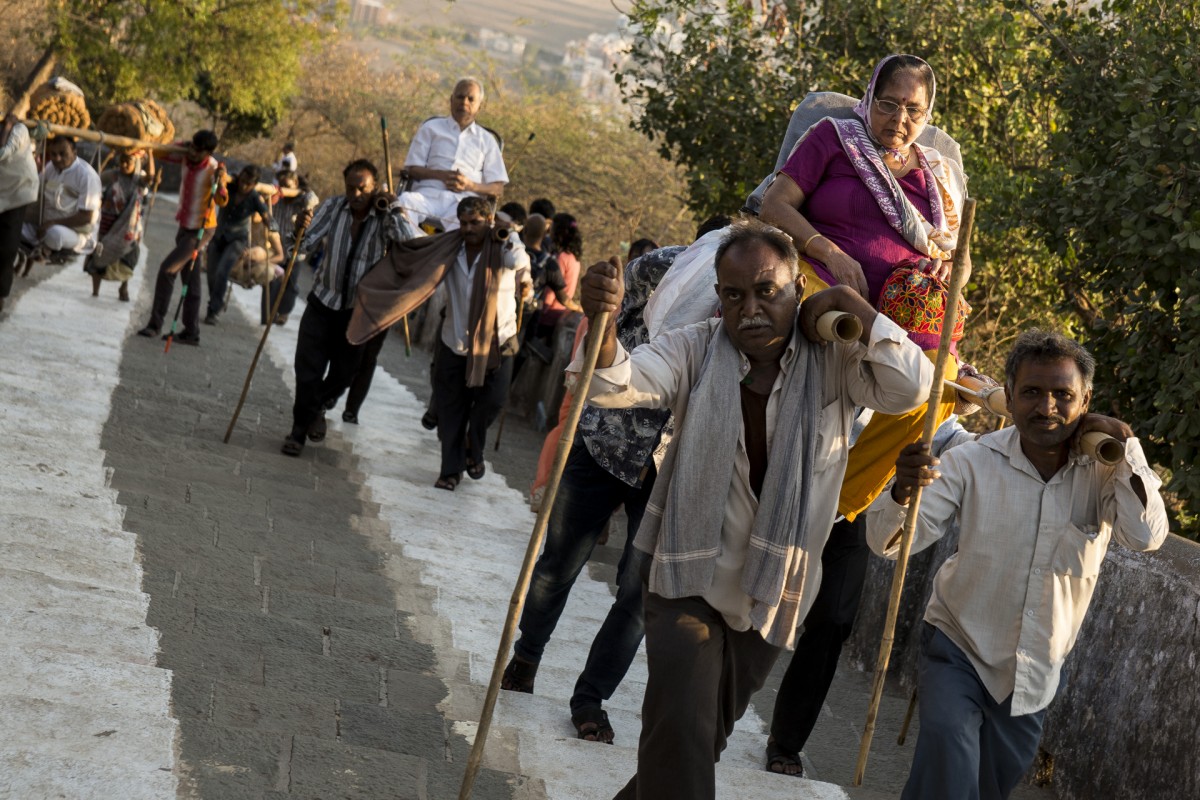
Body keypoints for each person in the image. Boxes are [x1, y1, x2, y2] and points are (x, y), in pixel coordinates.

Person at [579, 220, 931, 800]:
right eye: (734, 294)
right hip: (684, 578)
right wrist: (600, 324)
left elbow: (911, 388)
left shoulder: (838, 361)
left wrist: (852, 306)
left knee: (693, 743)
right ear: (718, 297)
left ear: (797, 291)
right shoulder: (694, 347)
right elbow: (620, 381)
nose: (750, 310)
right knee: (684, 736)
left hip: (774, 591)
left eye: (767, 292)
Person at [757, 53, 975, 773]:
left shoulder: (935, 181)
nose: (900, 119)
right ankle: (723, 697)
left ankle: (786, 742)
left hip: (895, 357)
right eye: (890, 104)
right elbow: (774, 204)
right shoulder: (832, 142)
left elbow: (955, 259)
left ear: (928, 115)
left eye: (915, 110)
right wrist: (822, 247)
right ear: (868, 99)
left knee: (839, 607)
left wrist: (944, 276)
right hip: (823, 314)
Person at [867, 330, 1168, 799]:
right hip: (958, 646)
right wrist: (902, 491)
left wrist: (1128, 449)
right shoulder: (970, 461)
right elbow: (890, 543)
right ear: (1009, 396)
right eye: (1031, 392)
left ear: (1086, 400)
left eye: (1063, 396)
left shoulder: (1106, 474)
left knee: (990, 786)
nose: (1046, 408)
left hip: (1036, 669)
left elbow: (1147, 537)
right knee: (948, 756)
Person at [502, 216, 730, 746]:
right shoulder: (656, 268)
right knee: (557, 564)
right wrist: (595, 302)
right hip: (607, 436)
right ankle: (526, 656)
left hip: (674, 465)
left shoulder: (761, 306)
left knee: (637, 593)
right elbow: (603, 336)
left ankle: (591, 699)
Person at [281, 158, 419, 456]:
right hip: (322, 302)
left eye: (363, 188)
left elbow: (409, 244)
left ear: (375, 187)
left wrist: (394, 206)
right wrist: (300, 229)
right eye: (350, 188)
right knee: (307, 371)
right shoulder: (333, 207)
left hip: (357, 312)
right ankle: (297, 433)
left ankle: (316, 407)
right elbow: (301, 249)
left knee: (345, 374)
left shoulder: (384, 215)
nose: (356, 195)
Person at [429, 196, 531, 489]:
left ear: (489, 221)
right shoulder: (453, 247)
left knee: (493, 402)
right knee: (452, 409)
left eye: (475, 223)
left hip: (497, 343)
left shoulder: (502, 245)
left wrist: (508, 233)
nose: (468, 228)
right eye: (463, 223)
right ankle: (450, 471)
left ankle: (474, 445)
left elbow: (519, 261)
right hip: (455, 341)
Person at [137, 129, 228, 345]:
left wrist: (221, 182)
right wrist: (181, 144)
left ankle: (154, 324)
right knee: (191, 279)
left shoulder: (214, 169)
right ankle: (191, 331)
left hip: (201, 229)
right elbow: (161, 153)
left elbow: (223, 200)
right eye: (192, 147)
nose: (193, 153)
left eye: (199, 151)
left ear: (208, 153)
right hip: (185, 225)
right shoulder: (185, 156)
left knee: (167, 270)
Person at [398, 78, 508, 232]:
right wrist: (441, 175)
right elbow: (412, 169)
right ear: (451, 100)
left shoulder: (487, 140)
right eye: (460, 97)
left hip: (463, 204)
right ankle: (418, 245)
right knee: (403, 203)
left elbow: (498, 188)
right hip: (427, 196)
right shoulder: (431, 128)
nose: (464, 102)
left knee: (470, 223)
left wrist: (470, 185)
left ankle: (427, 248)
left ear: (479, 107)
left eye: (471, 99)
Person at [202, 165, 276, 325]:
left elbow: (265, 215)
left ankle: (213, 311)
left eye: (248, 184)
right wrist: (221, 176)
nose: (243, 186)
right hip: (218, 235)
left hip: (237, 241)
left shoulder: (254, 198)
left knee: (222, 271)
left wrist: (271, 225)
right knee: (211, 273)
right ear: (239, 177)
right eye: (242, 181)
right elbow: (216, 182)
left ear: (254, 184)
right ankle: (216, 302)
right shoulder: (229, 185)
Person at [84, 149, 155, 302]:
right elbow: (94, 177)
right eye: (121, 160)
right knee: (98, 256)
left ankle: (124, 287)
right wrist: (108, 157)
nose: (123, 164)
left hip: (128, 228)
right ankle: (95, 291)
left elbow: (151, 177)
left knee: (126, 258)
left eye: (127, 162)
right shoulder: (113, 175)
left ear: (135, 163)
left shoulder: (139, 180)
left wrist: (150, 153)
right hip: (107, 225)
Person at [21, 136, 102, 264]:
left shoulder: (87, 176)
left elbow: (87, 217)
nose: (57, 158)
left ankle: (47, 250)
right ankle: (40, 248)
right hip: (45, 225)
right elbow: (34, 190)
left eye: (63, 154)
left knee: (54, 234)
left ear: (75, 153)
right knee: (14, 226)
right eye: (53, 154)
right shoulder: (50, 168)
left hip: (75, 233)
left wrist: (53, 223)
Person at [262, 169, 319, 326]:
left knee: (291, 283)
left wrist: (301, 191)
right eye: (282, 184)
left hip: (294, 249)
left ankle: (284, 312)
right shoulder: (276, 199)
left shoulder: (301, 201)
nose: (283, 188)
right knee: (272, 280)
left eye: (287, 185)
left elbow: (313, 199)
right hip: (275, 247)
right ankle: (269, 313)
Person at [0, 114, 40, 315]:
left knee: (6, 248)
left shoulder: (18, 130)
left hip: (19, 193)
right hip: (2, 192)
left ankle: (0, 299)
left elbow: (2, 152)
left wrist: (7, 127)